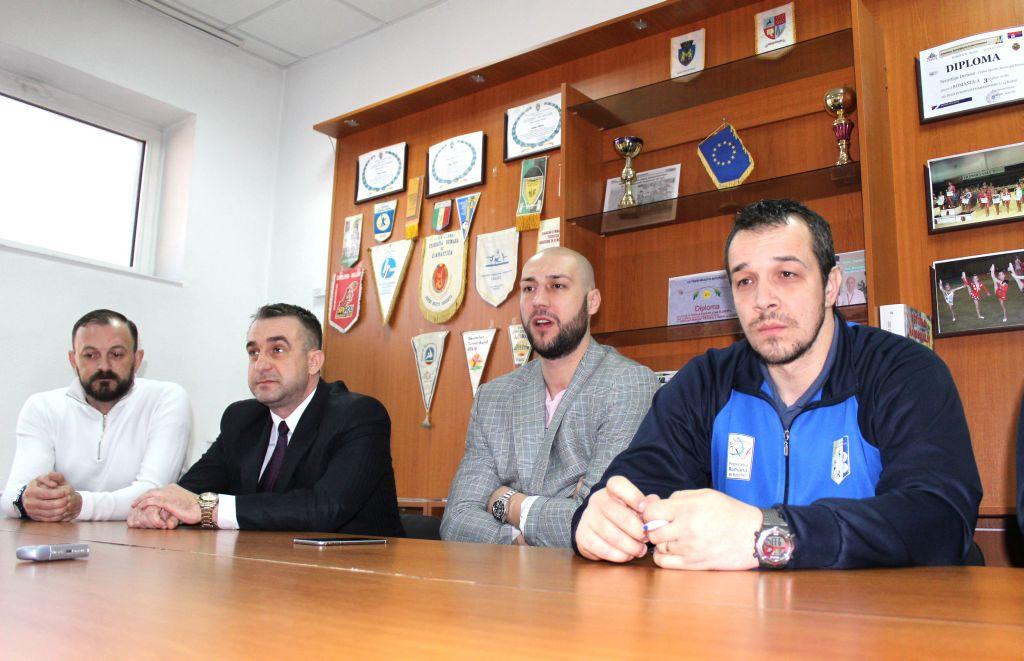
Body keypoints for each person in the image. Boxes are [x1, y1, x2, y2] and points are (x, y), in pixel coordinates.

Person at [572, 199, 982, 570]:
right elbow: (635, 486)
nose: (762, 299)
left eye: (786, 274)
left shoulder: (903, 371)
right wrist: (599, 520)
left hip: (883, 617)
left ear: (831, 286)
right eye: (745, 281)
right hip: (743, 619)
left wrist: (769, 534)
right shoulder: (705, 381)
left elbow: (939, 518)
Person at [441, 248, 658, 547]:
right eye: (529, 288)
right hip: (504, 576)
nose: (539, 301)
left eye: (557, 285)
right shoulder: (493, 398)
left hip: (590, 578)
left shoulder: (628, 384)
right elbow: (457, 520)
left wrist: (504, 501)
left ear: (592, 301)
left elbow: (605, 524)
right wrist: (517, 540)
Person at [128, 303, 403, 535]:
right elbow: (189, 492)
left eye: (277, 350)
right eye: (253, 352)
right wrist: (161, 507)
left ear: (313, 362)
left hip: (354, 571)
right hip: (261, 567)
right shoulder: (241, 419)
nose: (260, 364)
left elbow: (325, 508)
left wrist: (207, 509)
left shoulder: (358, 415)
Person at [1, 309, 190, 521]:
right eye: (90, 355)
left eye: (116, 354)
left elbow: (154, 494)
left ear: (137, 359)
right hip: (63, 536)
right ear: (73, 360)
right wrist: (27, 501)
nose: (103, 366)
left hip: (146, 537)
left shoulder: (165, 399)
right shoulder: (42, 407)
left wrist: (80, 505)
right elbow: (11, 496)